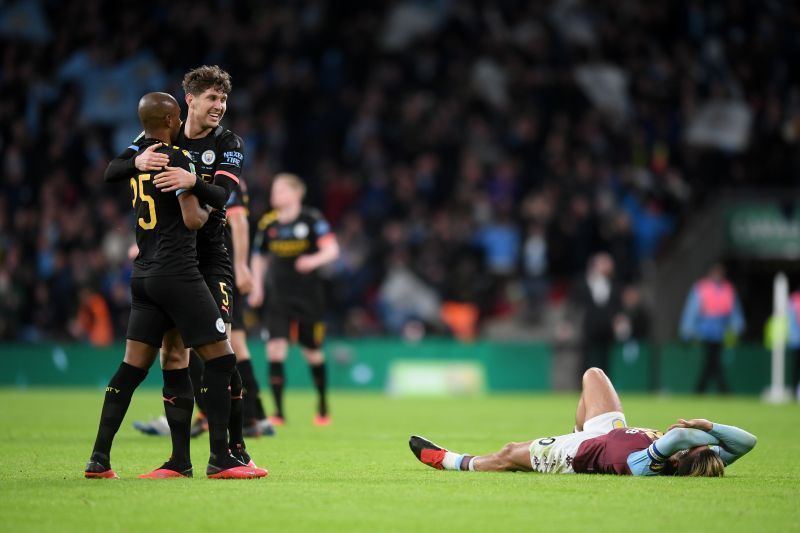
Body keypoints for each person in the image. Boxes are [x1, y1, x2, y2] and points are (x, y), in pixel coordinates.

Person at [85, 92, 266, 480]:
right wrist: (191, 187)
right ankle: (221, 457)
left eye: (224, 99)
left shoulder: (160, 152)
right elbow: (194, 221)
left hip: (147, 273)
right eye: (211, 98)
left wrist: (142, 166)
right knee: (220, 358)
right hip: (178, 273)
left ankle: (101, 459)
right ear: (180, 110)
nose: (219, 105)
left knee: (137, 367)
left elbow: (112, 172)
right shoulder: (175, 154)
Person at [410, 367, 756, 476]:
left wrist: (692, 431)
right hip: (609, 432)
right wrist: (710, 429)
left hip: (580, 453)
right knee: (593, 376)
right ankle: (574, 429)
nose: (698, 441)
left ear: (684, 456)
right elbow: (747, 442)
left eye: (697, 445)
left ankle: (452, 462)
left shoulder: (648, 465)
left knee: (509, 453)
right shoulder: (696, 455)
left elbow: (678, 438)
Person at [249, 173, 340, 426]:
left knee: (312, 352)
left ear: (295, 194)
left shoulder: (312, 220)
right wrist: (257, 286)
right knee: (274, 349)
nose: (274, 194)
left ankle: (322, 404)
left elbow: (332, 250)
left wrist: (313, 260)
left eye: (280, 190)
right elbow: (259, 257)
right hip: (278, 297)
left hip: (308, 298)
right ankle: (278, 412)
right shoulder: (268, 224)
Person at [680, 262, 745, 394]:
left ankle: (701, 390)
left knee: (711, 362)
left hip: (721, 332)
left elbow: (734, 311)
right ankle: (722, 390)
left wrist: (737, 328)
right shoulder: (701, 288)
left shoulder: (728, 289)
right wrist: (687, 331)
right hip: (704, 333)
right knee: (713, 361)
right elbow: (691, 311)